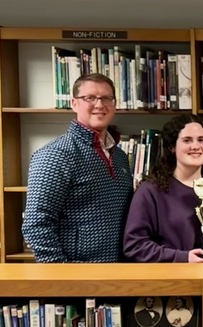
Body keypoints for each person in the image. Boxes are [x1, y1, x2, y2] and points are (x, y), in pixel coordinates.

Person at [22, 73, 134, 263]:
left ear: (114, 105)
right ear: (74, 104)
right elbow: (36, 223)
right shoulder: (56, 154)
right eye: (90, 98)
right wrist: (62, 275)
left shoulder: (120, 157)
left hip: (118, 273)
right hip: (76, 277)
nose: (99, 105)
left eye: (106, 98)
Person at [123, 114, 203, 263]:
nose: (196, 146)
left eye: (201, 140)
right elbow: (134, 245)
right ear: (172, 147)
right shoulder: (151, 191)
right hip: (172, 280)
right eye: (187, 140)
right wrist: (182, 257)